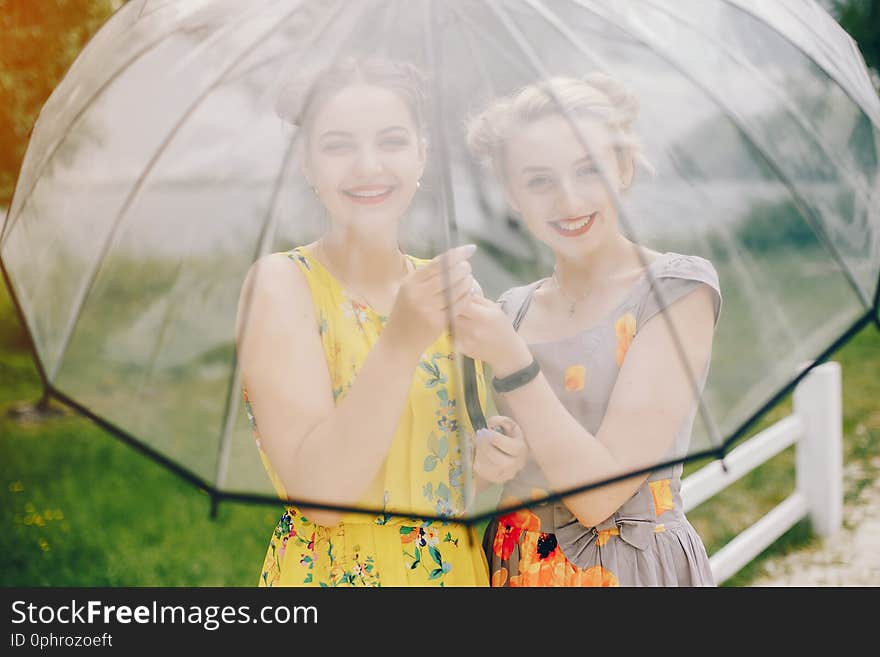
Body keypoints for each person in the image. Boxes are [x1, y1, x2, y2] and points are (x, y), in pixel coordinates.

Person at [234, 56, 525, 587]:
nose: (368, 166)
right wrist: (399, 343)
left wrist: (484, 465)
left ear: (421, 155)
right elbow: (321, 498)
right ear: (306, 162)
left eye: (391, 141)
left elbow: (430, 488)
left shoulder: (448, 291)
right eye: (339, 145)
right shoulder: (280, 286)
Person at [456, 74, 722, 586]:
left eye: (589, 169)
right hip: (512, 570)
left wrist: (512, 361)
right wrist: (487, 464)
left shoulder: (674, 292)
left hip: (628, 571)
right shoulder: (508, 311)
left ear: (623, 167)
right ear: (511, 193)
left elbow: (600, 496)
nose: (569, 199)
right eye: (539, 180)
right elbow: (469, 485)